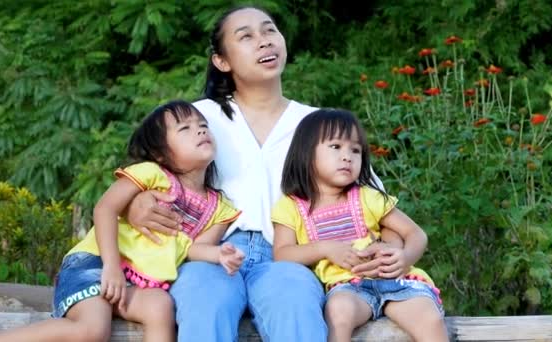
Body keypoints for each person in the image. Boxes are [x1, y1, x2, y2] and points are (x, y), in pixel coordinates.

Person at [126, 6, 421, 342]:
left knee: (295, 305)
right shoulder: (196, 119)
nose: (264, 42)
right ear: (221, 61)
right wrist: (136, 205)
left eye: (269, 31)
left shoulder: (319, 126)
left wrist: (388, 253)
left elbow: (375, 204)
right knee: (203, 303)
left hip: (290, 258)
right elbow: (141, 179)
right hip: (211, 252)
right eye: (246, 36)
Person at [0, 100, 244, 342]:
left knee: (160, 307)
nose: (200, 130)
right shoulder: (152, 174)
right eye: (185, 129)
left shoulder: (219, 207)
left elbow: (190, 250)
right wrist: (110, 267)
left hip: (139, 283)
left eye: (203, 125)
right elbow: (105, 209)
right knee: (92, 330)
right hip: (97, 262)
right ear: (161, 154)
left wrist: (220, 254)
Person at [272, 109, 448, 342]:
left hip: (395, 282)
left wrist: (405, 258)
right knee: (338, 315)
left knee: (429, 319)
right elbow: (282, 253)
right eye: (336, 147)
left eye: (355, 150)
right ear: (305, 153)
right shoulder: (291, 206)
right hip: (347, 288)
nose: (348, 156)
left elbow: (415, 233)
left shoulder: (367, 196)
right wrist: (326, 249)